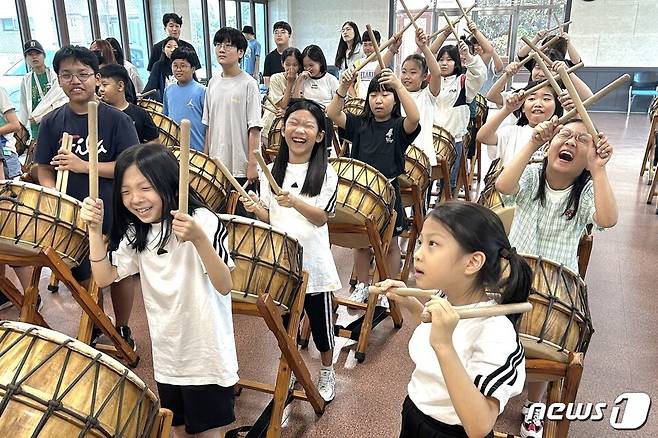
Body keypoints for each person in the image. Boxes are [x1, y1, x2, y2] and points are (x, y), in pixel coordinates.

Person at [80, 144, 237, 438]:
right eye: (125, 191)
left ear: (168, 183)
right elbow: (104, 278)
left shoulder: (202, 220)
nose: (135, 199)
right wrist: (93, 229)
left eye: (145, 188)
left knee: (207, 434)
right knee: (177, 429)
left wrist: (199, 240)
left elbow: (224, 284)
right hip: (168, 355)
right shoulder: (135, 232)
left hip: (205, 354)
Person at [495, 117, 618, 438]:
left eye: (582, 140)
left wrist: (600, 170)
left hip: (557, 289)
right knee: (493, 340)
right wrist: (533, 143)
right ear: (550, 144)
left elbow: (608, 219)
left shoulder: (587, 189)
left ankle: (534, 403)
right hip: (515, 277)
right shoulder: (533, 175)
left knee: (541, 347)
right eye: (564, 135)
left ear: (588, 158)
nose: (570, 142)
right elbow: (503, 186)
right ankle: (489, 386)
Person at [377, 201, 530, 438]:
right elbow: (435, 328)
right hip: (415, 413)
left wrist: (444, 346)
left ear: (472, 262)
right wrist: (409, 302)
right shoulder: (446, 296)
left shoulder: (496, 332)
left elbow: (479, 426)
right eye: (420, 242)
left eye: (433, 244)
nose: (417, 254)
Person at [34, 45, 140, 348]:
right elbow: (44, 169)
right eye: (66, 75)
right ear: (58, 80)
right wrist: (54, 195)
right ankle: (97, 320)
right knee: (80, 271)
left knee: (119, 271)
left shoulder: (117, 120)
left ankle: (122, 327)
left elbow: (129, 165)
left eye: (82, 74)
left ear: (96, 77)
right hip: (71, 214)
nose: (75, 80)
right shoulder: (52, 122)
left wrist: (83, 165)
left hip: (115, 209)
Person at [240, 99, 341, 402]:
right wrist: (257, 208)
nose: (300, 130)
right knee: (285, 329)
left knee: (322, 328)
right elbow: (274, 217)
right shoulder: (270, 170)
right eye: (293, 123)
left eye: (308, 125)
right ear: (283, 129)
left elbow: (321, 217)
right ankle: (294, 371)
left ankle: (326, 370)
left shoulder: (326, 173)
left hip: (313, 264)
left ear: (320, 135)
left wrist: (294, 201)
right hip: (282, 265)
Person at [327, 68, 420, 304]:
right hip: (361, 195)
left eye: (385, 95)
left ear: (395, 99)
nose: (378, 100)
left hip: (389, 192)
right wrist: (343, 88)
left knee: (390, 246)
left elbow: (415, 118)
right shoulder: (358, 124)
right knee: (360, 244)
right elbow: (332, 114)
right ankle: (362, 285)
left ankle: (389, 290)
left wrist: (399, 86)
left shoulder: (399, 126)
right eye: (374, 95)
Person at [203, 27, 261, 212]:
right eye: (219, 44)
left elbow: (254, 128)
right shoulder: (212, 82)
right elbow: (209, 125)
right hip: (216, 164)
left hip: (240, 166)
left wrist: (253, 164)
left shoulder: (249, 84)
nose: (222, 49)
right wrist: (206, 159)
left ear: (241, 52)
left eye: (228, 45)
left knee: (243, 220)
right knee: (217, 217)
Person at [433, 40, 486, 198]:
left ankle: (445, 210)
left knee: (449, 182)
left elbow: (480, 74)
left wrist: (469, 57)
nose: (444, 63)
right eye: (441, 59)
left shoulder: (463, 82)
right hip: (430, 138)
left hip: (453, 139)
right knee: (424, 181)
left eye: (449, 60)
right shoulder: (431, 82)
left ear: (456, 62)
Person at [477, 84, 563, 165]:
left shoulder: (561, 133)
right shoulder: (513, 132)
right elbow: (483, 137)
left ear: (556, 106)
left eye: (546, 99)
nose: (538, 104)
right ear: (523, 107)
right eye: (532, 98)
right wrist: (507, 109)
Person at [397, 28, 442, 169]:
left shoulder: (428, 95)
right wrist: (392, 50)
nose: (407, 76)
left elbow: (436, 73)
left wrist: (423, 47)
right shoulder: (395, 93)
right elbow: (378, 73)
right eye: (403, 72)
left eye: (413, 72)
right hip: (397, 155)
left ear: (424, 77)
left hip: (422, 158)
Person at [98, 64, 159, 144]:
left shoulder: (140, 113)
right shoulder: (98, 113)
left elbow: (154, 141)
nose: (100, 89)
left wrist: (139, 152)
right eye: (99, 86)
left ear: (120, 86)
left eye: (104, 85)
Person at [163, 47, 206, 152]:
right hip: (175, 150)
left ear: (193, 68)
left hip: (198, 151)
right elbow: (167, 119)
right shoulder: (168, 90)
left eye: (183, 66)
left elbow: (209, 124)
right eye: (175, 66)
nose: (178, 70)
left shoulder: (202, 91)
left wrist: (206, 151)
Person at [19, 39, 63, 141]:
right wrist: (22, 128)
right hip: (36, 127)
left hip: (55, 122)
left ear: (44, 55)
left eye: (38, 53)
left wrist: (41, 115)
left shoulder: (55, 76)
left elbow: (61, 100)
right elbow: (23, 105)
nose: (34, 57)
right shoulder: (26, 80)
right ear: (26, 58)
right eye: (30, 54)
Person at [261, 47, 303, 146]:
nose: (291, 68)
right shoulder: (275, 78)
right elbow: (282, 105)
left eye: (295, 65)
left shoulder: (301, 79)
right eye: (287, 64)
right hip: (271, 124)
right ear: (282, 63)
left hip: (292, 124)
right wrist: (290, 82)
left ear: (300, 65)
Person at [465, 21, 504, 97]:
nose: (476, 47)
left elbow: (499, 68)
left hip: (486, 100)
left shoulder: (490, 61)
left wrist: (493, 51)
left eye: (479, 45)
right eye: (474, 45)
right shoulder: (470, 62)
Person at [351, 29, 385, 99]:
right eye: (365, 45)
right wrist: (356, 99)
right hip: (361, 103)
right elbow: (350, 85)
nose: (367, 48)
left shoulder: (383, 63)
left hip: (377, 101)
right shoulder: (358, 64)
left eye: (371, 45)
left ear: (378, 45)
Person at [143, 36, 178, 102]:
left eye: (175, 47)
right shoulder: (158, 66)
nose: (172, 49)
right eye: (169, 47)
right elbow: (150, 88)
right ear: (163, 49)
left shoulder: (185, 64)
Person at [263, 21, 292, 87]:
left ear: (289, 35)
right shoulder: (269, 57)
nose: (279, 35)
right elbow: (266, 79)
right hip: (275, 94)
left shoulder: (295, 55)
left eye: (283, 32)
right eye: (276, 32)